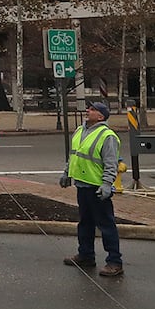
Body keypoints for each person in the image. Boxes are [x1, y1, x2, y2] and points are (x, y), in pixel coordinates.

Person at [60, 100, 123, 277]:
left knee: (106, 225)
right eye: (89, 108)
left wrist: (106, 184)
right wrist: (67, 173)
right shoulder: (80, 130)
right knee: (85, 223)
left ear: (101, 116)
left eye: (93, 109)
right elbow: (74, 155)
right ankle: (86, 255)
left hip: (97, 188)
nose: (88, 111)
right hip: (82, 185)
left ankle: (114, 261)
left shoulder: (107, 135)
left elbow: (111, 164)